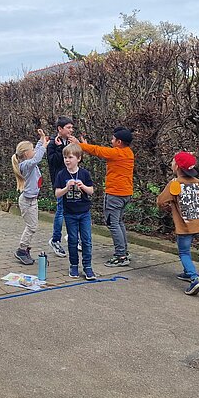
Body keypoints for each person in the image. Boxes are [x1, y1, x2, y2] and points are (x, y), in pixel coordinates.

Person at [70, 127, 134, 267]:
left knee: (113, 224)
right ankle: (124, 251)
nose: (111, 141)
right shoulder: (128, 152)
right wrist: (85, 145)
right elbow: (98, 150)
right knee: (119, 222)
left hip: (115, 194)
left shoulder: (117, 153)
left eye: (112, 139)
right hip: (126, 193)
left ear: (119, 141)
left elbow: (98, 150)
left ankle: (121, 255)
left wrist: (78, 144)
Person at [156, 151, 199, 296]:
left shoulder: (175, 184)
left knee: (184, 252)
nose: (171, 164)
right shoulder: (196, 182)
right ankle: (187, 273)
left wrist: (171, 203)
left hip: (184, 225)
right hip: (197, 222)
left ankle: (194, 279)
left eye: (173, 162)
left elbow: (160, 201)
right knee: (187, 248)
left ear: (178, 167)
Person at [54, 143, 96, 280]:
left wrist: (82, 186)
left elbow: (91, 191)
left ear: (78, 158)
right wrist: (66, 188)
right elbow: (57, 194)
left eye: (70, 157)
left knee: (86, 240)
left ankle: (88, 266)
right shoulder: (61, 174)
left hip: (84, 212)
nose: (67, 160)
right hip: (69, 213)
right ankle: (73, 265)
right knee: (72, 240)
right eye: (65, 157)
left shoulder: (84, 173)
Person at [11, 129, 49, 265]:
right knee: (31, 227)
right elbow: (37, 157)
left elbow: (36, 155)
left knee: (32, 226)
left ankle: (24, 249)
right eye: (32, 149)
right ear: (26, 154)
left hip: (32, 200)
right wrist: (44, 146)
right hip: (27, 201)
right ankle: (21, 250)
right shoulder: (25, 165)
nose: (34, 151)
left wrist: (41, 140)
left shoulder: (29, 162)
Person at [47, 117, 74, 257]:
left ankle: (73, 237)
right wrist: (60, 148)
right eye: (68, 127)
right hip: (60, 181)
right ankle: (55, 239)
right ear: (60, 129)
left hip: (72, 180)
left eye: (71, 127)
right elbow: (53, 162)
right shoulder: (52, 143)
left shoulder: (70, 142)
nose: (71, 130)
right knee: (61, 210)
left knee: (72, 209)